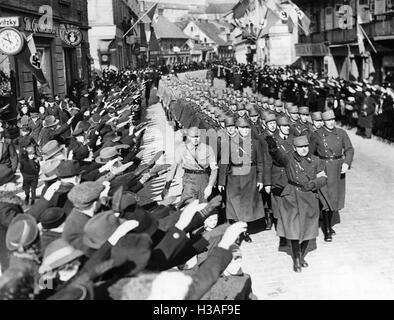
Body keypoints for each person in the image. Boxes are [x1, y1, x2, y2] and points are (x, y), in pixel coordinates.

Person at [266, 135, 328, 272]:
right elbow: (279, 157)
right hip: (292, 196)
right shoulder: (289, 159)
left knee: (308, 228)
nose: (304, 149)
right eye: (300, 147)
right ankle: (296, 259)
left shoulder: (316, 160)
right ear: (294, 148)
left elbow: (323, 178)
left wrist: (313, 184)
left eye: (305, 146)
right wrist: (273, 149)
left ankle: (301, 254)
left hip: (310, 197)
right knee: (294, 228)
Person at [309, 110, 355, 241]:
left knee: (334, 196)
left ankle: (326, 222)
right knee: (325, 197)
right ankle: (327, 228)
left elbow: (349, 149)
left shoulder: (341, 133)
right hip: (324, 168)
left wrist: (346, 163)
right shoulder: (316, 135)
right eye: (328, 120)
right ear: (323, 121)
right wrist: (317, 169)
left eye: (333, 120)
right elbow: (311, 154)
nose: (331, 122)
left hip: (338, 168)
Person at [218, 117, 265, 224]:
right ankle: (240, 227)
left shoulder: (256, 143)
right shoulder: (229, 143)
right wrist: (221, 182)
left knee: (248, 203)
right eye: (242, 128)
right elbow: (224, 163)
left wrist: (260, 180)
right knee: (236, 202)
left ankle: (244, 224)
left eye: (247, 128)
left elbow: (260, 163)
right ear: (237, 129)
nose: (245, 130)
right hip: (235, 176)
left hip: (251, 176)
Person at [161, 127, 218, 204]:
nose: (195, 139)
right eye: (192, 137)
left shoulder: (208, 149)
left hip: (204, 179)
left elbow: (214, 169)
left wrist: (210, 185)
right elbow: (174, 168)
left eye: (197, 137)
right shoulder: (181, 148)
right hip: (189, 180)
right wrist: (166, 187)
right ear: (188, 136)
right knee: (188, 205)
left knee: (203, 206)